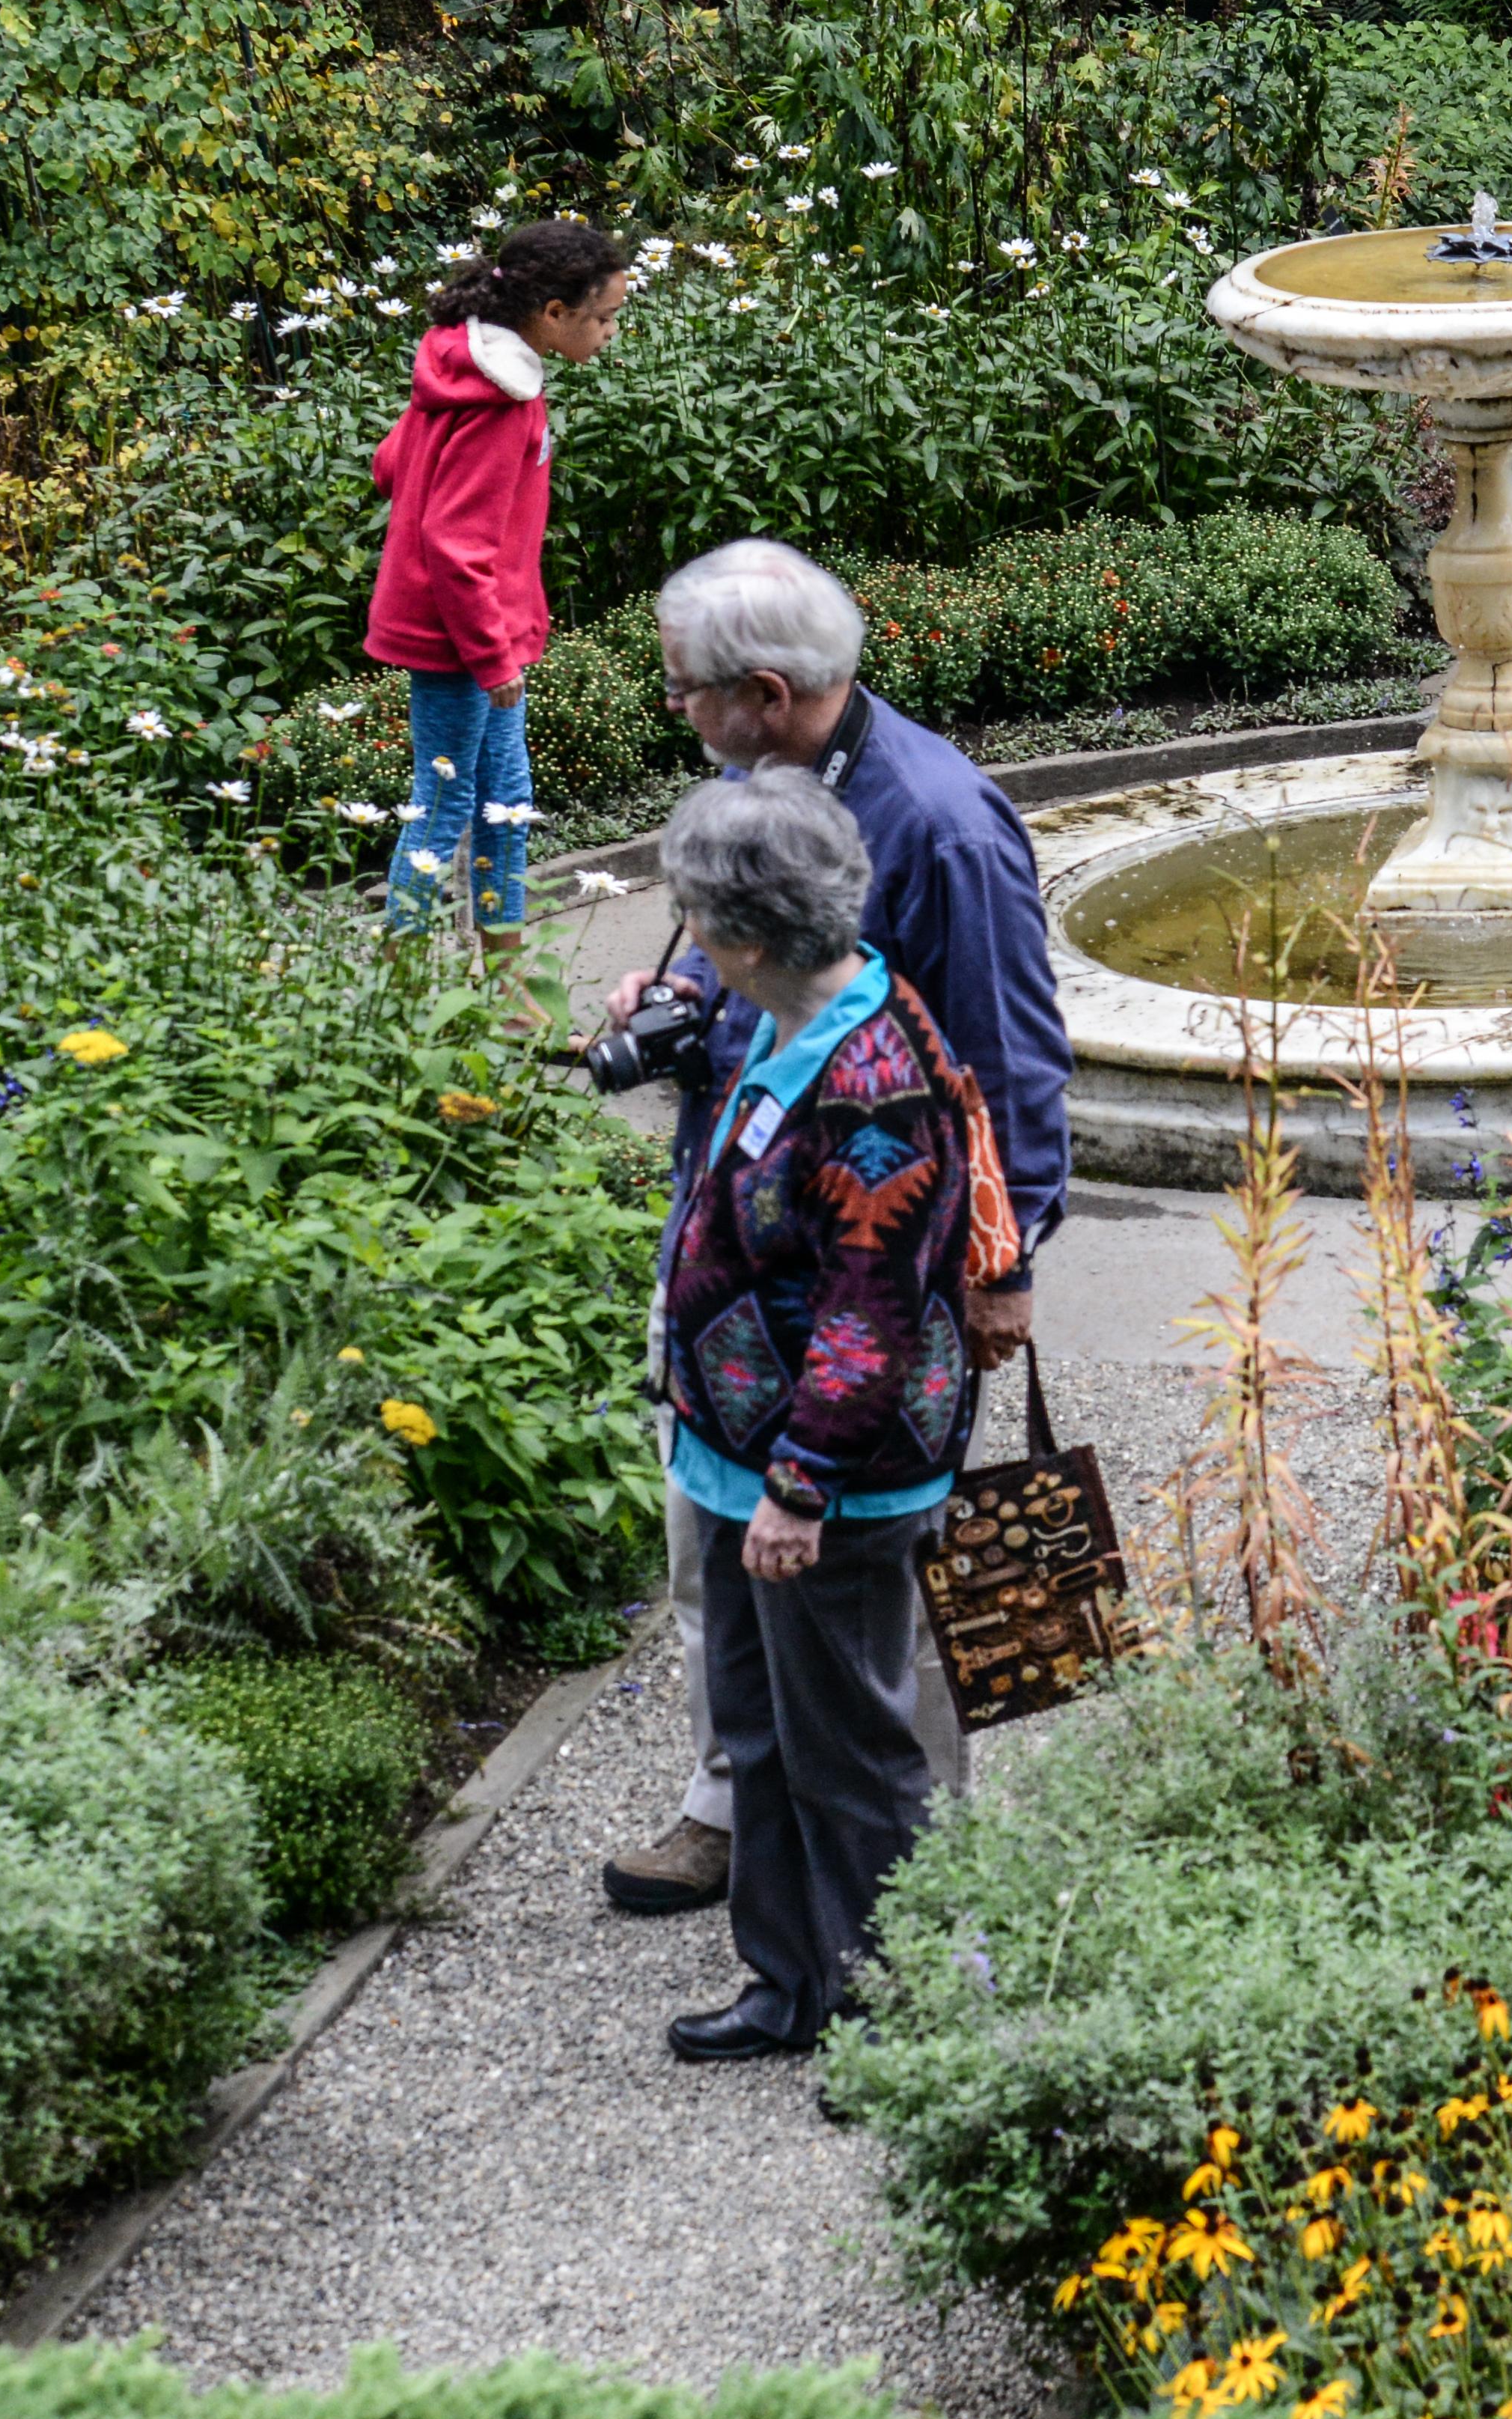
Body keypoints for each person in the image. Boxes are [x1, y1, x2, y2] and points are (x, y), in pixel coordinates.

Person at [597, 535, 1066, 1920]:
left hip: (870, 1271)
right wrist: (673, 994)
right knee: (714, 1551)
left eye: (684, 690)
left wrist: (1007, 1260)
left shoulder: (942, 819)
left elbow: (1013, 1055)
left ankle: (914, 1872)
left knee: (885, 1586)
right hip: (742, 1255)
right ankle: (738, 1809)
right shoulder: (762, 776)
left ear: (760, 687)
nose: (676, 712)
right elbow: (758, 970)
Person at [643, 767, 984, 2061]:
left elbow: (871, 1302)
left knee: (856, 1756)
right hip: (742, 1459)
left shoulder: (873, 1073)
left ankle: (909, 2012)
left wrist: (798, 1481)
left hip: (827, 1478)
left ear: (747, 934)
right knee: (765, 1732)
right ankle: (791, 1986)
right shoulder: (795, 1020)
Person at [366, 219, 635, 976]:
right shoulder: (500, 401)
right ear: (553, 313)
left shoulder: (464, 372)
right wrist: (491, 657)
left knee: (505, 799)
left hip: (484, 632)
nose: (611, 331)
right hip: (461, 642)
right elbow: (457, 547)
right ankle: (401, 990)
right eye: (605, 316)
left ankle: (511, 988)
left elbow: (393, 466)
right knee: (446, 805)